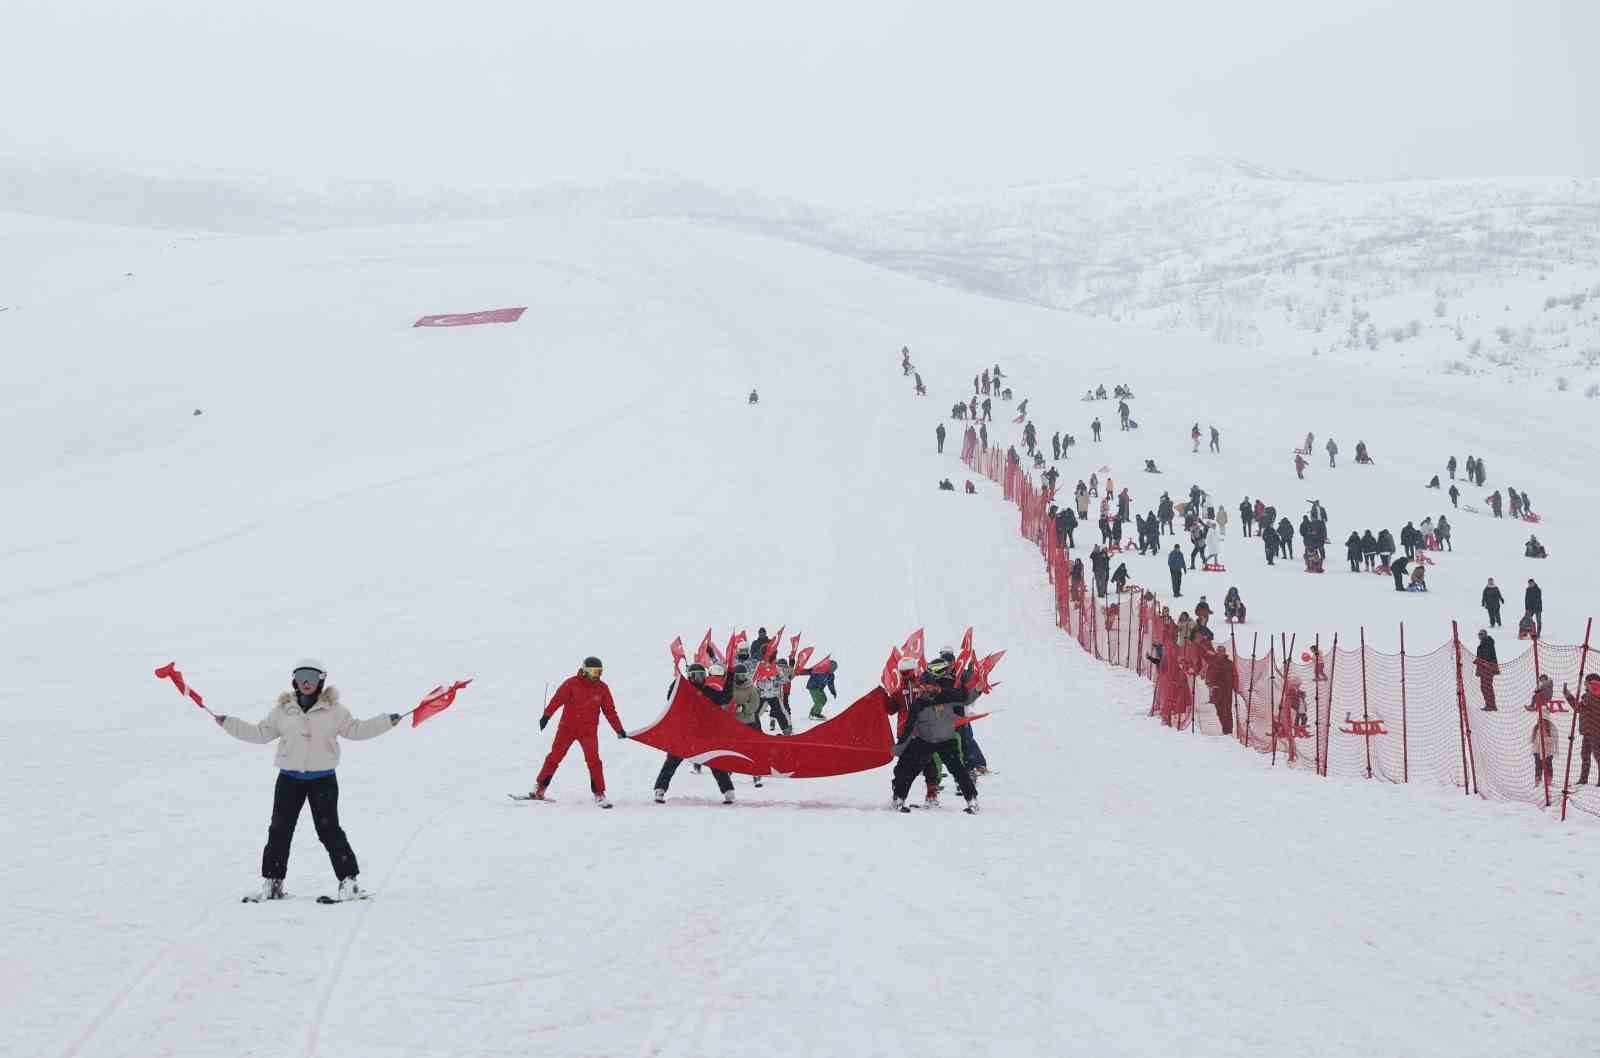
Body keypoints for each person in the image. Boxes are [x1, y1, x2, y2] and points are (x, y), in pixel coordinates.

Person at [217, 660, 402, 902]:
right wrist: (228, 723)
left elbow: (356, 730)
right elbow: (260, 733)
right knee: (279, 830)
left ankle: (349, 883)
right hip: (289, 780)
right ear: (294, 680)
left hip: (322, 780)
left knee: (329, 830)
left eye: (312, 677)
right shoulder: (283, 711)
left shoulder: (335, 710)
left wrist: (387, 721)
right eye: (301, 676)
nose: (306, 682)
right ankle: (273, 883)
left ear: (321, 681)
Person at [533, 657, 627, 806]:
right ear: (585, 671)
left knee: (594, 762)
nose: (598, 675)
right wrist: (546, 716)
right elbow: (557, 700)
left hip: (588, 732)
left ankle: (599, 793)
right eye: (595, 672)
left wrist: (619, 729)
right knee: (554, 757)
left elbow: (610, 712)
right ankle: (539, 789)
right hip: (567, 729)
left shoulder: (602, 688)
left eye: (600, 672)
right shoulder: (571, 684)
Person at [889, 667, 980, 814]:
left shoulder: (948, 695)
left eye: (927, 685)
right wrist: (900, 745)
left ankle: (972, 801)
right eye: (922, 686)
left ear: (935, 685)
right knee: (910, 770)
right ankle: (899, 799)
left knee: (958, 770)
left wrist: (971, 685)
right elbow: (909, 726)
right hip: (925, 740)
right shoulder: (918, 703)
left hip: (946, 740)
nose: (925, 689)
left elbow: (965, 697)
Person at [654, 663, 737, 804]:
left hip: (704, 735)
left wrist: (729, 677)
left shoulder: (708, 692)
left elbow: (725, 698)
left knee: (715, 761)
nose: (699, 679)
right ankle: (660, 790)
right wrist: (678, 681)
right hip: (685, 735)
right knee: (671, 762)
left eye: (701, 675)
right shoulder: (683, 690)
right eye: (695, 676)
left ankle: (728, 791)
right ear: (690, 677)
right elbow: (670, 697)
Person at [1563, 674, 1600, 783]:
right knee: (1586, 755)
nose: (1584, 683)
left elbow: (1578, 708)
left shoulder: (1591, 696)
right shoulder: (1590, 695)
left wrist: (1568, 695)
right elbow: (1579, 708)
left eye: (1586, 682)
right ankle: (1583, 779)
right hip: (1588, 731)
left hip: (1593, 731)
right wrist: (1568, 695)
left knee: (1596, 755)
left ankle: (1585, 779)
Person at [1532, 714, 1560, 787]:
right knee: (1538, 766)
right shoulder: (1536, 728)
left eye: (1543, 720)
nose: (1541, 722)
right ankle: (1537, 781)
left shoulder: (1552, 728)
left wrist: (1545, 739)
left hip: (1548, 751)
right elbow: (1532, 740)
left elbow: (1555, 739)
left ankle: (1548, 781)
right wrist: (1538, 741)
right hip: (1537, 751)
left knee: (1548, 766)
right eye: (1539, 720)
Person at [1475, 631, 1499, 711]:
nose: (1480, 636)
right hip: (1484, 668)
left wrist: (1479, 661)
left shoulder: (1487, 643)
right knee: (1484, 687)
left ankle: (1491, 705)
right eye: (1479, 635)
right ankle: (1489, 704)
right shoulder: (1484, 643)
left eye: (1481, 634)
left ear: (1485, 635)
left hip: (1488, 668)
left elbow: (1486, 656)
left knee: (1486, 687)